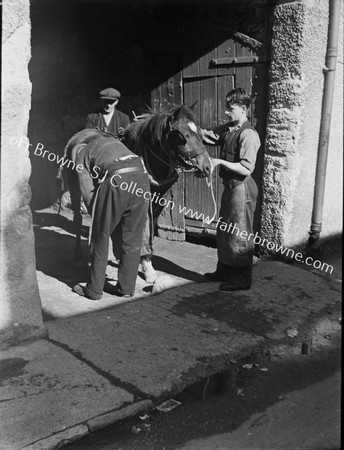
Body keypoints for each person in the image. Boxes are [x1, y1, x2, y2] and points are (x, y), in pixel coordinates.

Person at [73, 131, 150, 300]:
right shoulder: (115, 144)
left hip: (118, 180)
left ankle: (93, 290)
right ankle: (127, 288)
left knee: (100, 235)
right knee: (132, 238)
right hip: (142, 179)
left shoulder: (81, 154)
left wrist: (102, 213)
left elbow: (88, 194)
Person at [202, 88, 261, 291]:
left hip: (241, 188)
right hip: (230, 187)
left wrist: (219, 161)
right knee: (225, 230)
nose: (227, 112)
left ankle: (242, 279)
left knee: (240, 233)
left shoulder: (248, 134)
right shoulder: (230, 129)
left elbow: (246, 167)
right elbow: (208, 136)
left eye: (231, 108)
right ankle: (224, 271)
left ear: (243, 109)